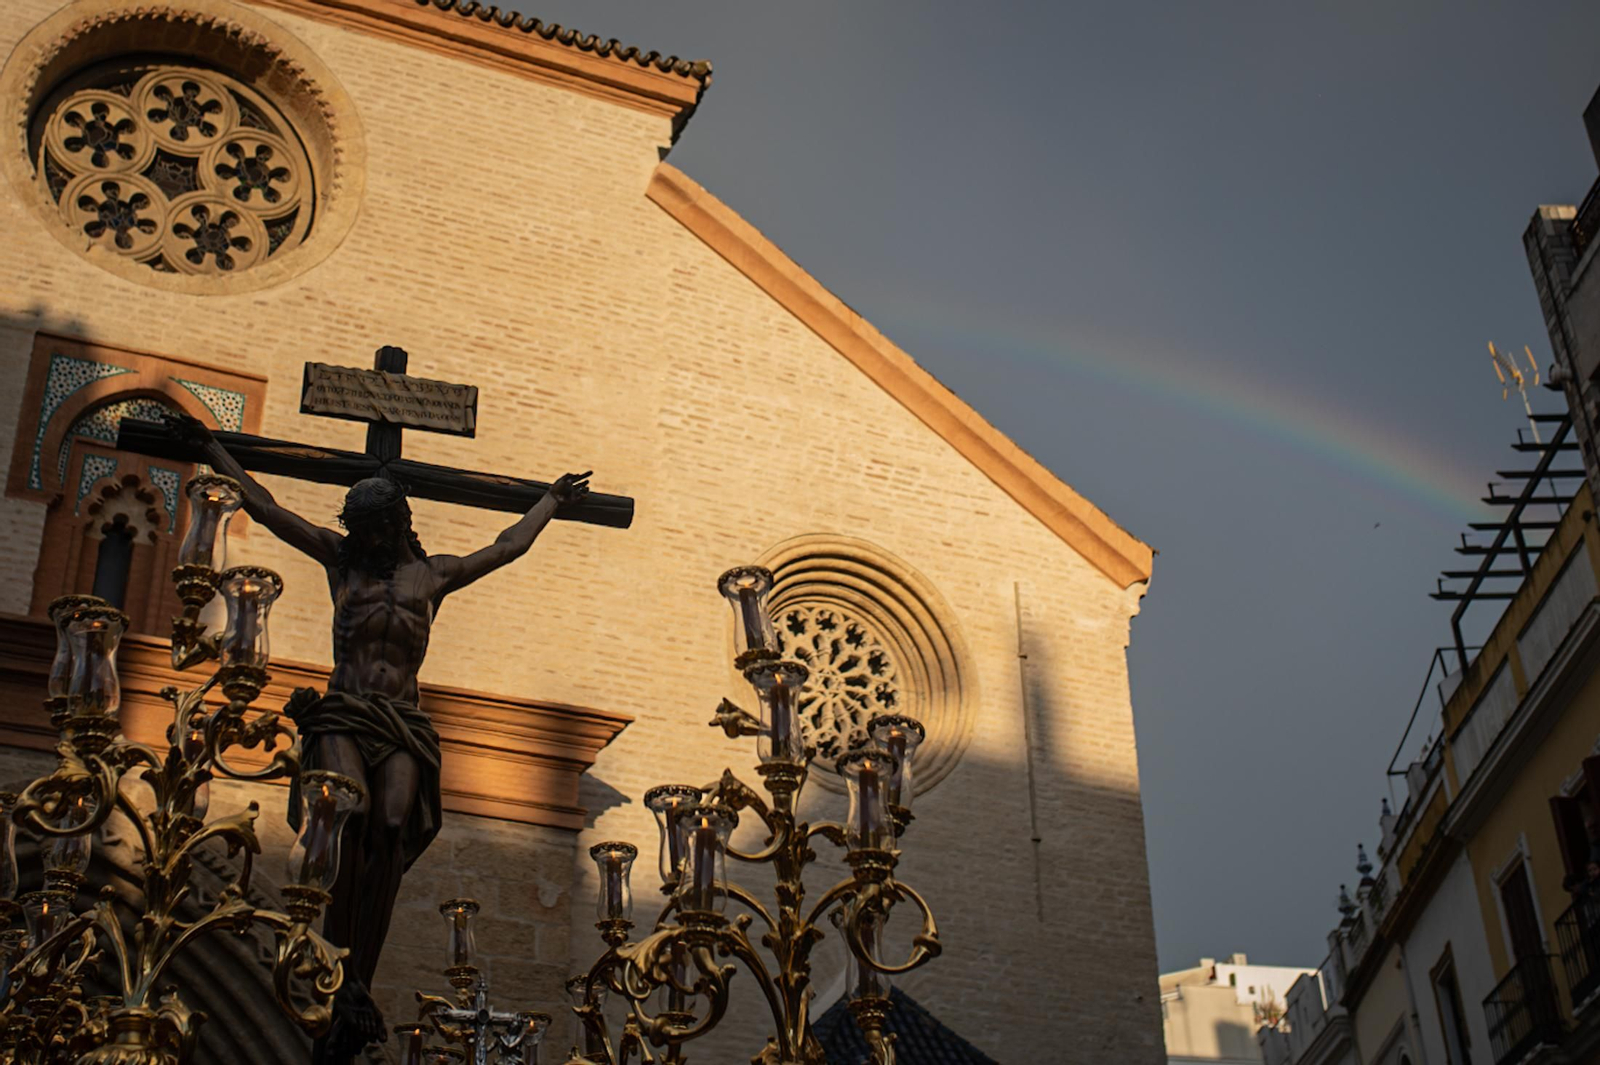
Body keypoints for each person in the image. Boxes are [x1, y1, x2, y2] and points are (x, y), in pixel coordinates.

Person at [173, 414, 589, 1061]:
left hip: (403, 720)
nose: (364, 537)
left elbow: (506, 546)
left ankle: (357, 973)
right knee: (350, 809)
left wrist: (552, 501)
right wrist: (211, 448)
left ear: (397, 522)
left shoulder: (433, 576)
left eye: (374, 527)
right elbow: (269, 506)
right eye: (358, 528)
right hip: (344, 709)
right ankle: (336, 958)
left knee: (393, 823)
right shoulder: (343, 566)